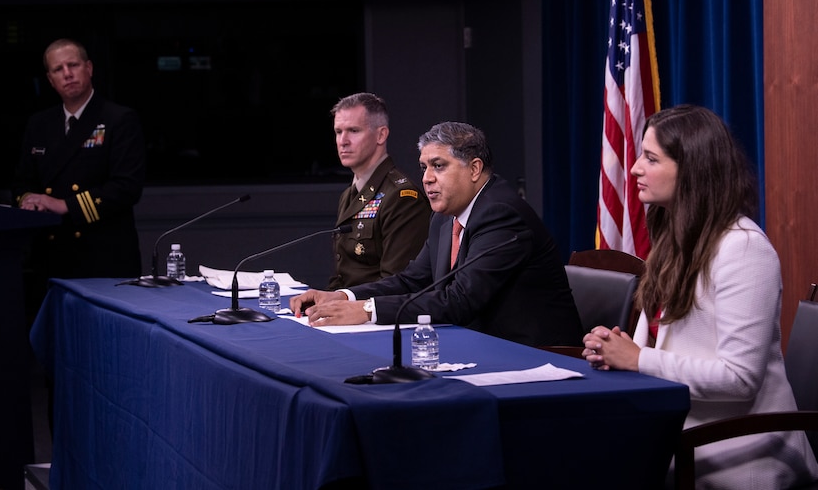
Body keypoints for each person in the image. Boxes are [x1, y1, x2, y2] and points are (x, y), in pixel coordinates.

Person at [582, 105, 818, 488]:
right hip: (677, 433)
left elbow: (739, 378)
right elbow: (667, 346)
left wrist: (639, 359)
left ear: (692, 171)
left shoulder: (744, 250)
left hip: (736, 449)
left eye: (651, 158)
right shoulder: (675, 240)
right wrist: (621, 349)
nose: (636, 168)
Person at [292, 121, 582, 348]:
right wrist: (343, 296)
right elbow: (413, 280)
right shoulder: (444, 218)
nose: (427, 178)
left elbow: (459, 300)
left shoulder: (502, 214)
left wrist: (367, 310)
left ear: (474, 169)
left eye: (439, 166)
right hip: (480, 343)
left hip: (537, 356)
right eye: (424, 167)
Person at [13, 38, 145, 280]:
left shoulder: (119, 119)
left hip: (103, 258)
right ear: (51, 80)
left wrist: (64, 205)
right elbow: (23, 182)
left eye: (73, 65)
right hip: (51, 254)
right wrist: (29, 202)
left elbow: (127, 188)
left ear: (89, 68)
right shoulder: (39, 124)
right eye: (58, 70)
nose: (67, 74)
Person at [327, 92, 431, 289]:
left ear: (381, 135)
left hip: (375, 314)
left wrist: (340, 301)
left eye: (354, 131)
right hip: (346, 310)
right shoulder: (349, 194)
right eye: (338, 132)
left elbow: (396, 284)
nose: (343, 141)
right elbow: (342, 273)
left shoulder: (402, 197)